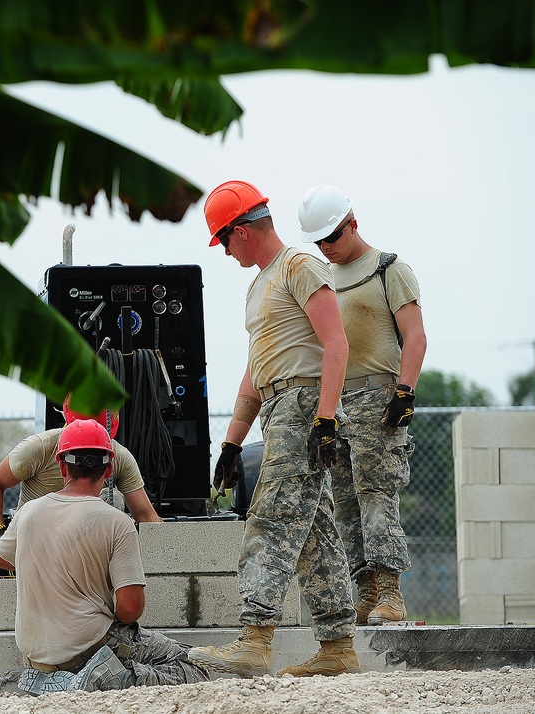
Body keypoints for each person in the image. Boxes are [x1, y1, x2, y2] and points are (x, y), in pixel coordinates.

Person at [188, 179, 360, 678]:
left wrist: (326, 418)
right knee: (314, 530)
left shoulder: (299, 267)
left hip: (304, 405)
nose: (223, 252)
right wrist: (231, 443)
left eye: (222, 240)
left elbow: (336, 343)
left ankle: (255, 638)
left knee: (271, 516)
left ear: (241, 231)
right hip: (280, 405)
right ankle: (338, 647)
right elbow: (255, 368)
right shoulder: (259, 284)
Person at [0, 419, 208, 693]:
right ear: (108, 469)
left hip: (37, 657)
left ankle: (57, 680)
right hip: (91, 648)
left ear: (61, 466)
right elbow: (130, 609)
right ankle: (104, 677)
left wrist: (47, 557)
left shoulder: (28, 512)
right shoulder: (117, 522)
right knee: (192, 666)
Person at [299, 185, 427, 626]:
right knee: (345, 501)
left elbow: (415, 335)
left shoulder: (389, 269)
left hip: (377, 396)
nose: (325, 248)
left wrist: (405, 391)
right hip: (335, 399)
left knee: (376, 493)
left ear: (352, 224)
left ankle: (390, 592)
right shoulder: (323, 279)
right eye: (318, 242)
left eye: (331, 238)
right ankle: (366, 593)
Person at [0, 396, 161, 559]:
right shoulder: (40, 448)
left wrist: (170, 549)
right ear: (62, 465)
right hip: (37, 543)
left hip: (86, 552)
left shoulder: (119, 456)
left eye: (95, 453)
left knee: (112, 499)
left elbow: (145, 515)